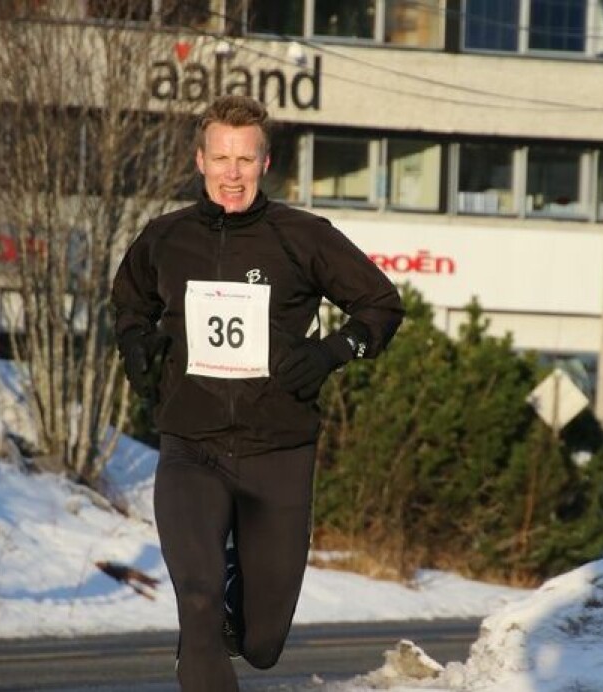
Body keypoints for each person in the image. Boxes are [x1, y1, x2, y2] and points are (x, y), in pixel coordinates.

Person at [111, 94, 404, 692]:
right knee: (195, 599)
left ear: (265, 164)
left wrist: (330, 353)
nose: (232, 173)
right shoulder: (165, 238)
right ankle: (203, 629)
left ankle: (234, 606)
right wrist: (136, 347)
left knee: (261, 644)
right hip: (191, 444)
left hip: (279, 451)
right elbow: (129, 304)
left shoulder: (302, 236)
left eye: (245, 159)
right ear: (200, 160)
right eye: (221, 157)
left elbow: (381, 305)